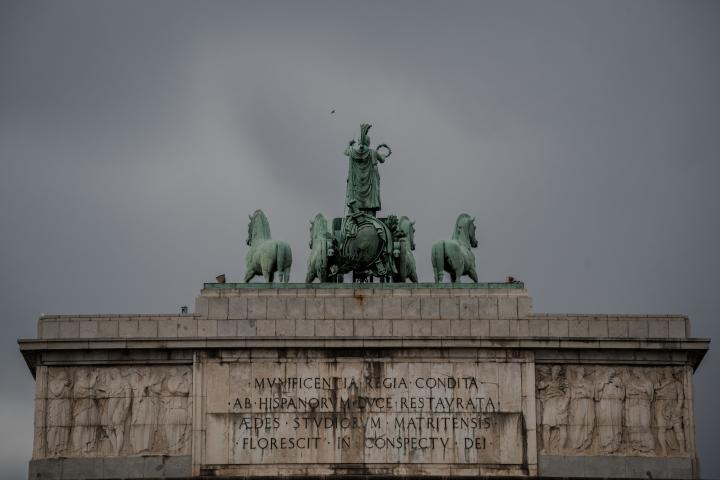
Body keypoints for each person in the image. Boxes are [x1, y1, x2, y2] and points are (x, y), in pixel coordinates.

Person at [344, 124, 390, 216]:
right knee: (371, 212)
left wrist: (349, 144)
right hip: (370, 187)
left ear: (359, 141)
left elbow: (346, 151)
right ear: (368, 142)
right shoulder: (373, 152)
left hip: (356, 188)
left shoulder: (352, 152)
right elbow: (382, 160)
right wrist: (384, 155)